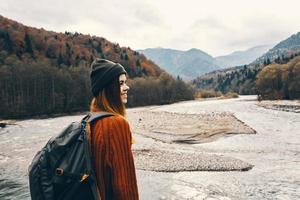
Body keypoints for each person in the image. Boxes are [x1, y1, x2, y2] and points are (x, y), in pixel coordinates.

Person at [87, 58, 139, 200]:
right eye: (121, 83)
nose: (127, 87)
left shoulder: (90, 122)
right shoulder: (116, 125)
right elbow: (125, 189)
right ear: (109, 88)